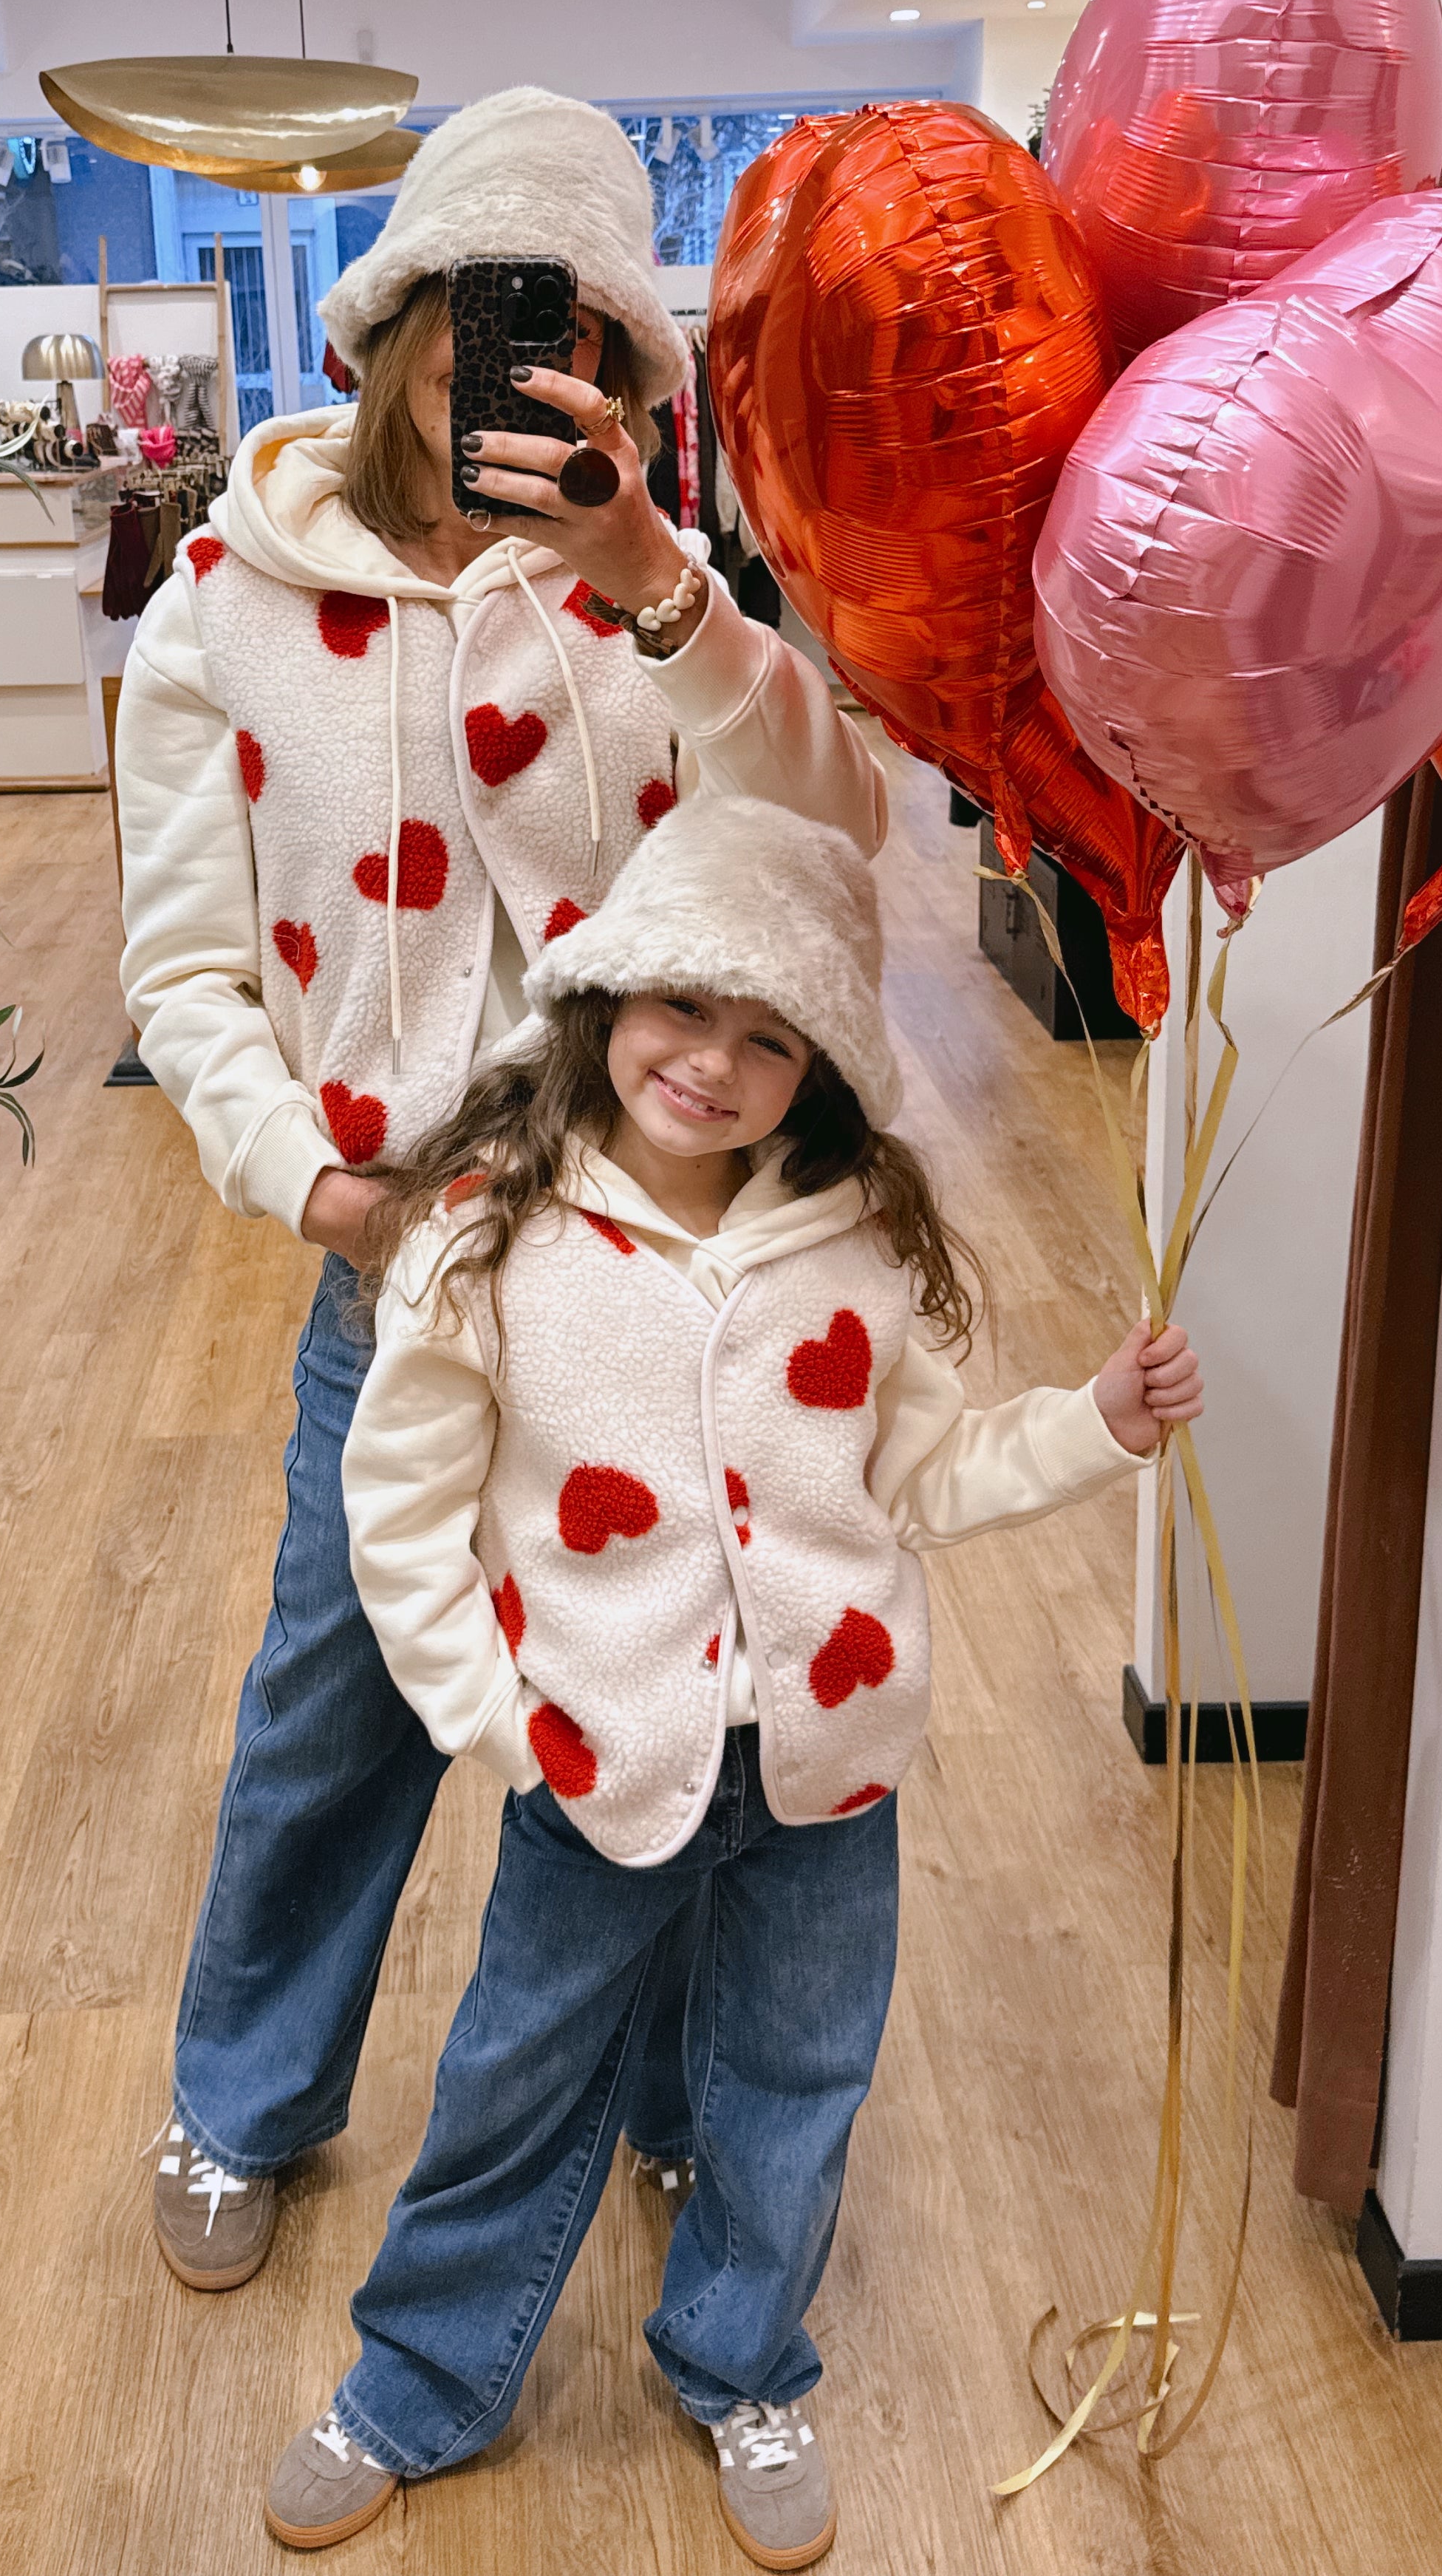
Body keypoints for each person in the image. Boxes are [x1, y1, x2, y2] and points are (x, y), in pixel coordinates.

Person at [116, 87, 893, 2294]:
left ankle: (672, 2102)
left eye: (578, 339)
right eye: (476, 314)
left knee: (676, 1696)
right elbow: (183, 970)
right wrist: (324, 1196)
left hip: (665, 1263)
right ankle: (244, 2095)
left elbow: (831, 833)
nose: (521, 367)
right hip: (397, 1262)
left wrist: (655, 591)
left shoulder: (651, 593)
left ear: (629, 374)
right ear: (389, 333)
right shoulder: (223, 606)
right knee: (335, 1704)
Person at [264, 796, 1201, 2565]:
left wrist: (1093, 1425)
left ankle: (740, 2363)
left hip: (828, 1771)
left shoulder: (855, 1243)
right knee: (512, 2081)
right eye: (684, 1008)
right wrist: (496, 1723)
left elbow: (919, 1474)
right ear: (608, 996)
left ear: (820, 1068)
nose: (711, 1063)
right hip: (595, 1760)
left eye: (769, 1039)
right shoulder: (487, 1238)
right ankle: (416, 2381)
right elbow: (398, 1516)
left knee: (793, 2089)